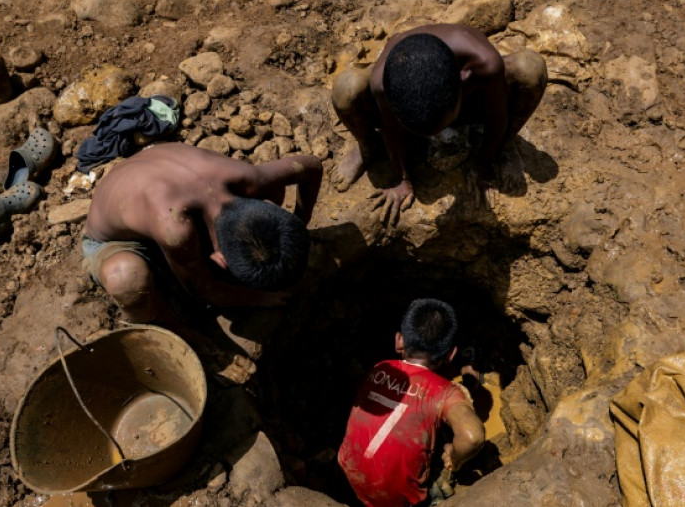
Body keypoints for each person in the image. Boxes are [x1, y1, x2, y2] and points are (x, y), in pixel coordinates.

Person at [82, 142, 323, 325]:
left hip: (159, 180)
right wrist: (259, 298)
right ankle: (176, 331)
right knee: (128, 280)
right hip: (114, 235)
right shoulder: (176, 232)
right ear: (220, 259)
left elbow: (312, 166)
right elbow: (204, 291)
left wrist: (300, 221)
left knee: (274, 190)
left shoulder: (252, 178)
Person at [331, 23, 547, 224]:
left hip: (473, 99)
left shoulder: (483, 65)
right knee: (346, 88)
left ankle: (505, 147)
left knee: (530, 68)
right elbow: (390, 129)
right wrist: (402, 179)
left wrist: (484, 161)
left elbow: (497, 116)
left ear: (460, 89)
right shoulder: (382, 83)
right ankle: (368, 146)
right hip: (413, 97)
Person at [338, 299, 485, 507]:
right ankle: (470, 378)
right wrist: (454, 456)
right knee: (450, 424)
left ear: (399, 341)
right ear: (451, 354)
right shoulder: (444, 392)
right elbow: (473, 436)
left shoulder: (379, 368)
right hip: (398, 500)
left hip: (349, 477)